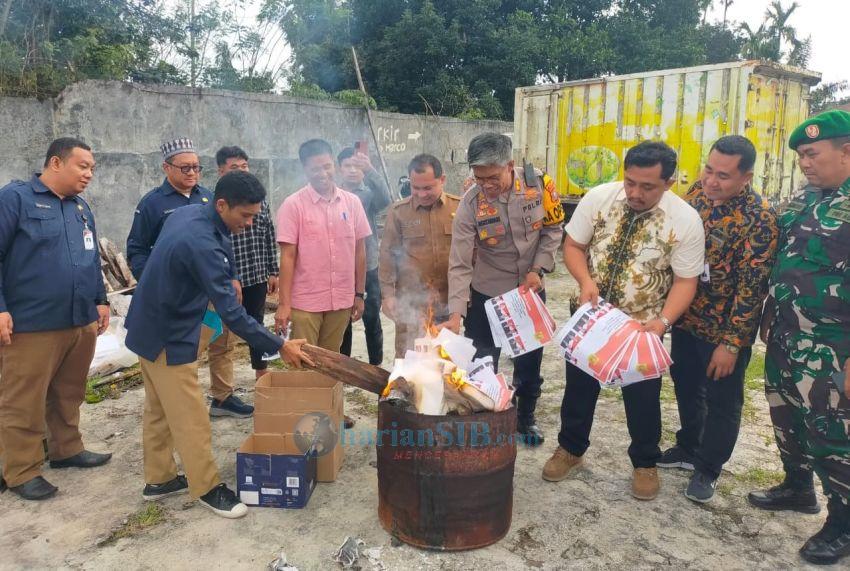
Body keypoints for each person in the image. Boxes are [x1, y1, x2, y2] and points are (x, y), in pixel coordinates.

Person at [124, 170, 311, 519]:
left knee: (159, 409)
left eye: (256, 215)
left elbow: (202, 272)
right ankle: (208, 488)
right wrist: (279, 345)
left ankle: (159, 479)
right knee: (191, 415)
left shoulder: (192, 213)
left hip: (148, 323)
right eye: (245, 216)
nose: (251, 223)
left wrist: (225, 279)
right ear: (222, 205)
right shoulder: (202, 242)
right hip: (168, 335)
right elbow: (234, 315)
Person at [542, 141, 705, 501]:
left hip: (642, 327)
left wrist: (663, 322)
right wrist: (585, 281)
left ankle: (644, 462)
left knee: (643, 397)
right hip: (590, 317)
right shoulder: (599, 197)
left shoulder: (685, 220)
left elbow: (685, 281)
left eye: (648, 186)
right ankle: (570, 449)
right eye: (630, 182)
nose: (635, 192)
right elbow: (573, 246)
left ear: (669, 182)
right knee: (579, 388)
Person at [747, 110, 850, 566]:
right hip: (789, 337)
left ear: (846, 151)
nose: (804, 163)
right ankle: (796, 487)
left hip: (833, 349)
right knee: (786, 416)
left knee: (833, 433)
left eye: (812, 154)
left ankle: (843, 523)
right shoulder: (806, 198)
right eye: (801, 155)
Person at [657, 136, 778, 503]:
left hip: (723, 329)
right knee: (686, 384)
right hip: (687, 318)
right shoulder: (696, 195)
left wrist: (731, 344)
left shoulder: (760, 219)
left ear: (746, 177)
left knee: (723, 400)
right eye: (708, 169)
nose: (711, 180)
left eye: (723, 175)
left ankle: (709, 467)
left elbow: (751, 291)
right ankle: (690, 446)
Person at [0, 137, 112, 501]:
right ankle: (21, 470)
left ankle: (66, 449)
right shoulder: (15, 199)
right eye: (83, 166)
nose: (89, 174)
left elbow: (92, 256)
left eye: (92, 168)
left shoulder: (80, 208)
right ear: (56, 163)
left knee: (69, 393)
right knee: (24, 399)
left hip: (79, 320)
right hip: (32, 324)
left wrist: (100, 300)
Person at [444, 133, 563, 445]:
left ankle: (525, 418)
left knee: (529, 361)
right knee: (483, 361)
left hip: (528, 291)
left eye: (492, 177)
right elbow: (459, 262)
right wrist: (456, 312)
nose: (486, 185)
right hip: (486, 293)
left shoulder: (540, 185)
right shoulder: (471, 203)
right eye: (479, 178)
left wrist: (538, 269)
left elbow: (553, 228)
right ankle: (486, 419)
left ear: (510, 165)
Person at [126, 139, 252, 418]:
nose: (191, 173)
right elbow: (136, 249)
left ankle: (223, 396)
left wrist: (232, 275)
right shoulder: (152, 204)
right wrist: (154, 285)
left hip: (212, 292)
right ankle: (177, 399)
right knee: (184, 351)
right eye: (184, 168)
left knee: (223, 343)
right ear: (166, 167)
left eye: (196, 167)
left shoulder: (208, 198)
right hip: (179, 299)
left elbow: (224, 242)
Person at [275, 139, 371, 429]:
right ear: (304, 169)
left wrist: (359, 293)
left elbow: (360, 250)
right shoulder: (293, 205)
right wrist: (284, 304)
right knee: (303, 362)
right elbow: (288, 255)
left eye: (328, 166)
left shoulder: (352, 203)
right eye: (316, 168)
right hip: (306, 301)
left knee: (333, 361)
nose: (324, 173)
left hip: (341, 298)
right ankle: (305, 417)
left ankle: (332, 412)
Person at [205, 146, 279, 418]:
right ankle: (222, 396)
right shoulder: (213, 205)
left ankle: (262, 382)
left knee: (256, 327)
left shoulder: (258, 200)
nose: (242, 170)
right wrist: (228, 277)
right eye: (235, 167)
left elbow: (269, 235)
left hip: (257, 274)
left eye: (245, 166)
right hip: (224, 282)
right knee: (222, 338)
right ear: (221, 170)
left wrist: (273, 270)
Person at [380, 154, 460, 357]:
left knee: (447, 361)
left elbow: (470, 257)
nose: (421, 194)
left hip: (449, 302)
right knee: (410, 360)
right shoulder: (399, 213)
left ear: (442, 180)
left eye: (428, 188)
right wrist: (388, 295)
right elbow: (387, 256)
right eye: (416, 188)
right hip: (411, 304)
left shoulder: (459, 208)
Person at [337, 146, 391, 366]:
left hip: (368, 264)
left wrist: (370, 170)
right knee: (342, 320)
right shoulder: (332, 193)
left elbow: (386, 199)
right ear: (339, 168)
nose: (352, 170)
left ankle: (376, 366)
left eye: (356, 166)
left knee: (371, 317)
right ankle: (344, 366)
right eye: (347, 166)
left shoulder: (369, 193)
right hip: (340, 267)